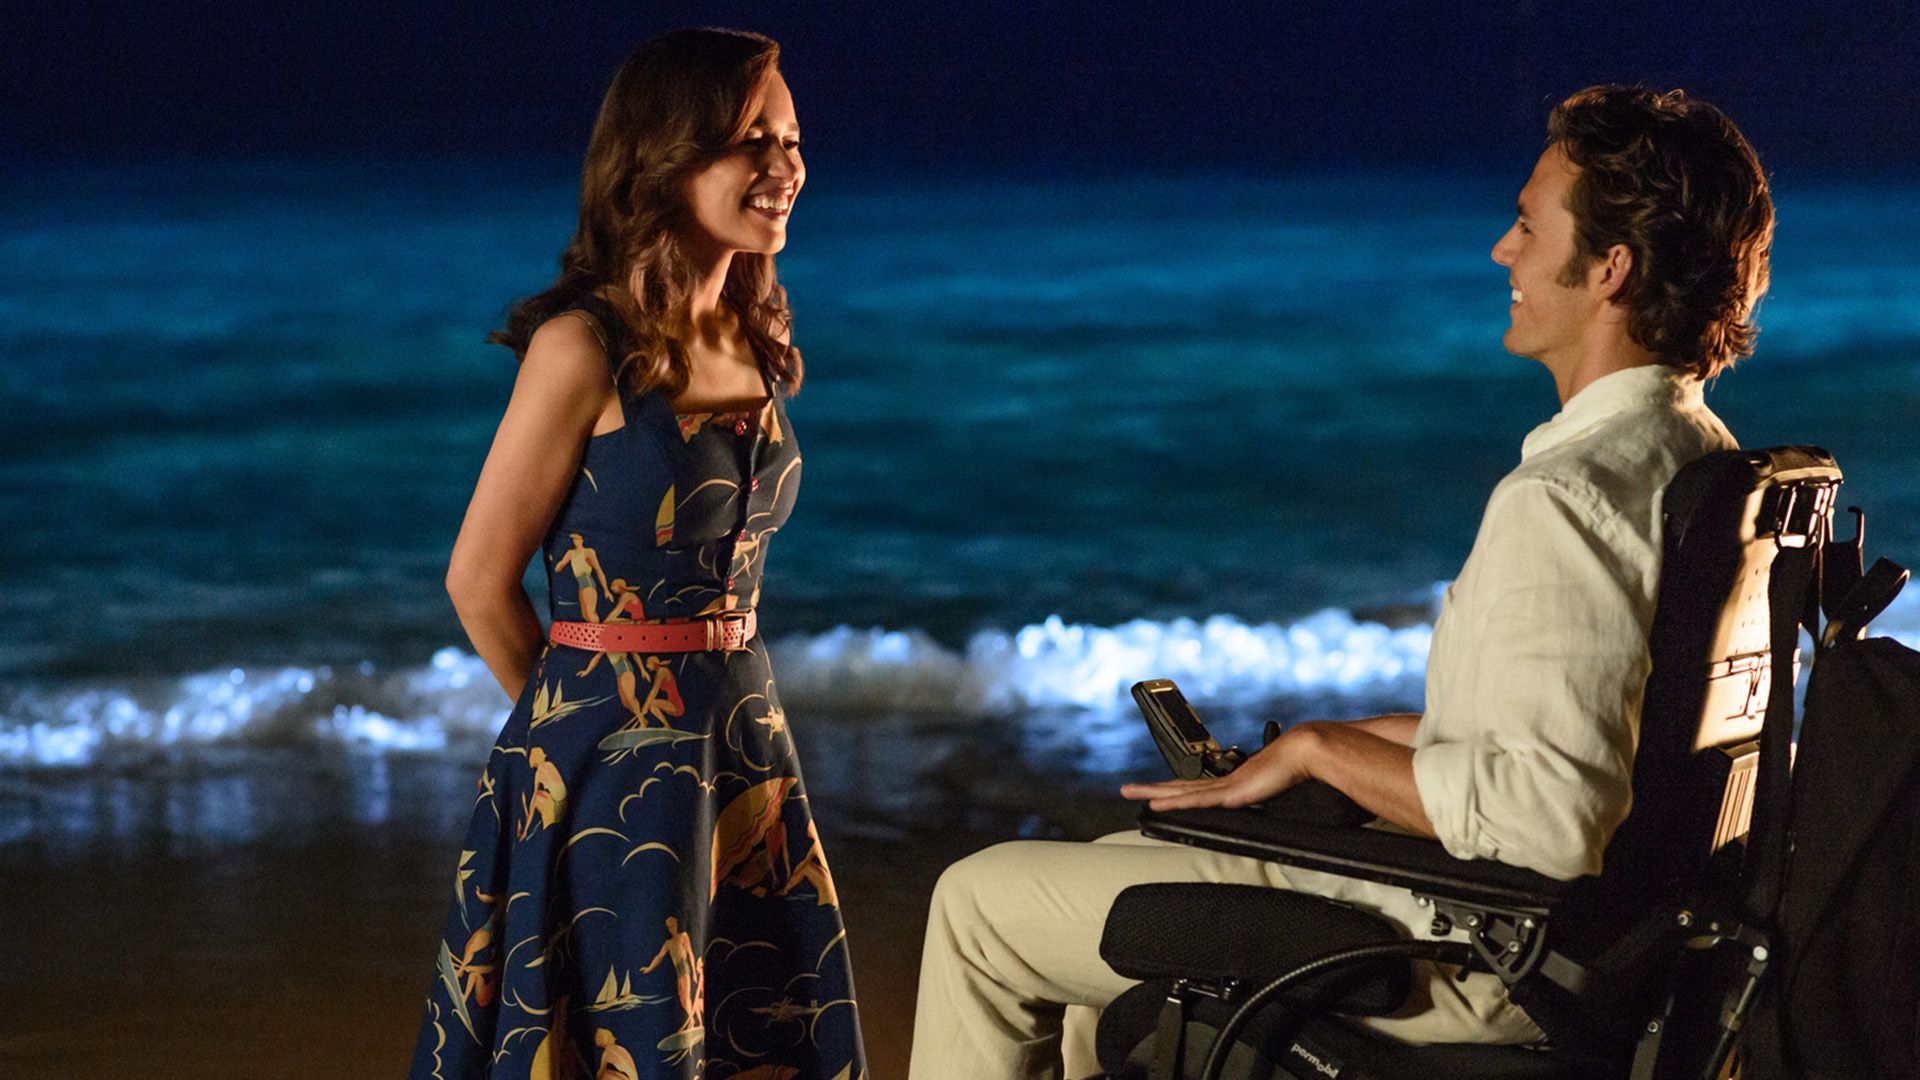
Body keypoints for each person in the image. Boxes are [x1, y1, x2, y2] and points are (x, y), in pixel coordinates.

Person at [908, 84, 1776, 1080]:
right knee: (1105, 876)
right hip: (1610, 950)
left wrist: (1323, 750)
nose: (1504, 251)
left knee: (976, 906)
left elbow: (1549, 819)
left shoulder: (1565, 499)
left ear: (1610, 269)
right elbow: (1608, 737)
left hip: (1473, 955)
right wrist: (1331, 749)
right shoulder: (1699, 464)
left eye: (1529, 227)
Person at [409, 28, 866, 1080]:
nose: (785, 166)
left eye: (791, 138)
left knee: (761, 1033)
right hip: (611, 771)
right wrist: (594, 740)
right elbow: (477, 581)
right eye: (753, 139)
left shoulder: (755, 332)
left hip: (748, 748)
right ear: (667, 155)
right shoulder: (583, 347)